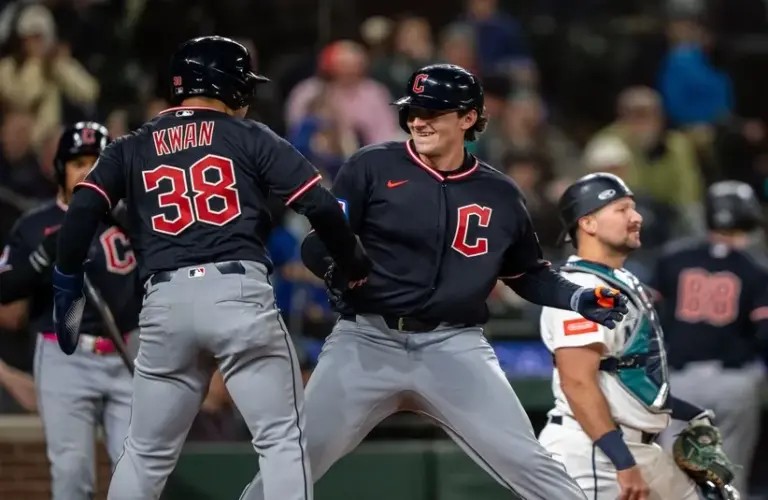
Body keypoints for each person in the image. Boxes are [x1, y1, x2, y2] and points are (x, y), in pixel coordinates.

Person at [239, 64, 631, 500]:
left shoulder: (500, 194)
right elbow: (319, 242)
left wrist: (576, 295)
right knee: (295, 459)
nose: (418, 121)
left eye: (432, 112)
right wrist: (335, 267)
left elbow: (527, 273)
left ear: (468, 119)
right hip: (367, 340)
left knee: (531, 464)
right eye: (412, 111)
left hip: (454, 347)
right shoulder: (372, 165)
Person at [51, 36, 371, 500]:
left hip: (164, 302)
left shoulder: (132, 145)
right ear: (228, 85)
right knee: (281, 442)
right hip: (236, 293)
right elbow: (320, 206)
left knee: (143, 454)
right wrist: (354, 264)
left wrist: (66, 284)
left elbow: (82, 210)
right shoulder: (249, 134)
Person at [537, 173, 739, 500]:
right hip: (595, 456)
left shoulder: (621, 280)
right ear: (587, 223)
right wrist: (623, 463)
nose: (637, 217)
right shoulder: (580, 290)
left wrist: (689, 412)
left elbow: (629, 372)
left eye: (633, 207)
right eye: (621, 209)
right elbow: (578, 382)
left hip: (636, 449)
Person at [0, 121, 138, 500]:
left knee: (137, 472)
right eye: (79, 162)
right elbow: (5, 288)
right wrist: (45, 255)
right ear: (61, 169)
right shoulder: (37, 224)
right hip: (66, 356)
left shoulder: (133, 220)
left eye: (98, 161)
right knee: (72, 473)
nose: (89, 170)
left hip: (128, 350)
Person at [655, 180, 768, 496]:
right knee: (729, 474)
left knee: (675, 478)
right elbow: (764, 333)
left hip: (679, 381)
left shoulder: (672, 259)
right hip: (733, 379)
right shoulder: (756, 266)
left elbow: (648, 317)